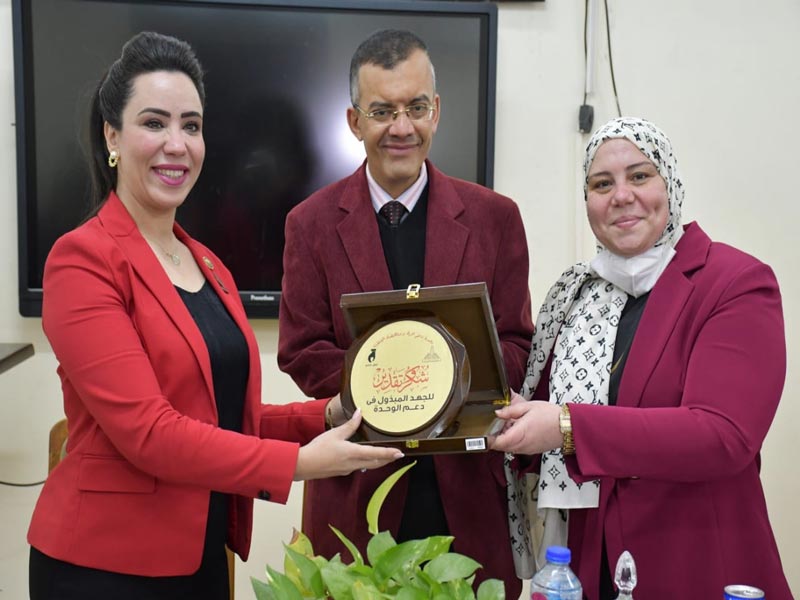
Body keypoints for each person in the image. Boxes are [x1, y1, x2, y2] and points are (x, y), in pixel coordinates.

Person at [27, 31, 402, 600]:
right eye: (154, 123)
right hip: (104, 568)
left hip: (198, 556)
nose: (177, 144)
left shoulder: (207, 264)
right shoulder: (82, 260)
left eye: (192, 125)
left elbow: (223, 414)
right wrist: (299, 464)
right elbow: (150, 432)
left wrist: (325, 414)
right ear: (112, 135)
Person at [278, 29, 534, 596]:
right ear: (353, 121)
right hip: (354, 496)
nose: (402, 128)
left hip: (467, 499)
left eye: (416, 108)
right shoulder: (310, 224)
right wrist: (392, 389)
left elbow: (517, 343)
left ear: (436, 111)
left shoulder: (496, 219)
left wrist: (454, 382)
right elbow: (301, 349)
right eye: (382, 111)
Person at [490, 117, 791, 599]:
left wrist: (568, 428)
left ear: (669, 182)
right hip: (586, 566)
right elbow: (541, 418)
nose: (621, 195)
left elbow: (722, 435)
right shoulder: (572, 296)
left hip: (694, 565)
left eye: (639, 176)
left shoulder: (734, 283)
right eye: (601, 183)